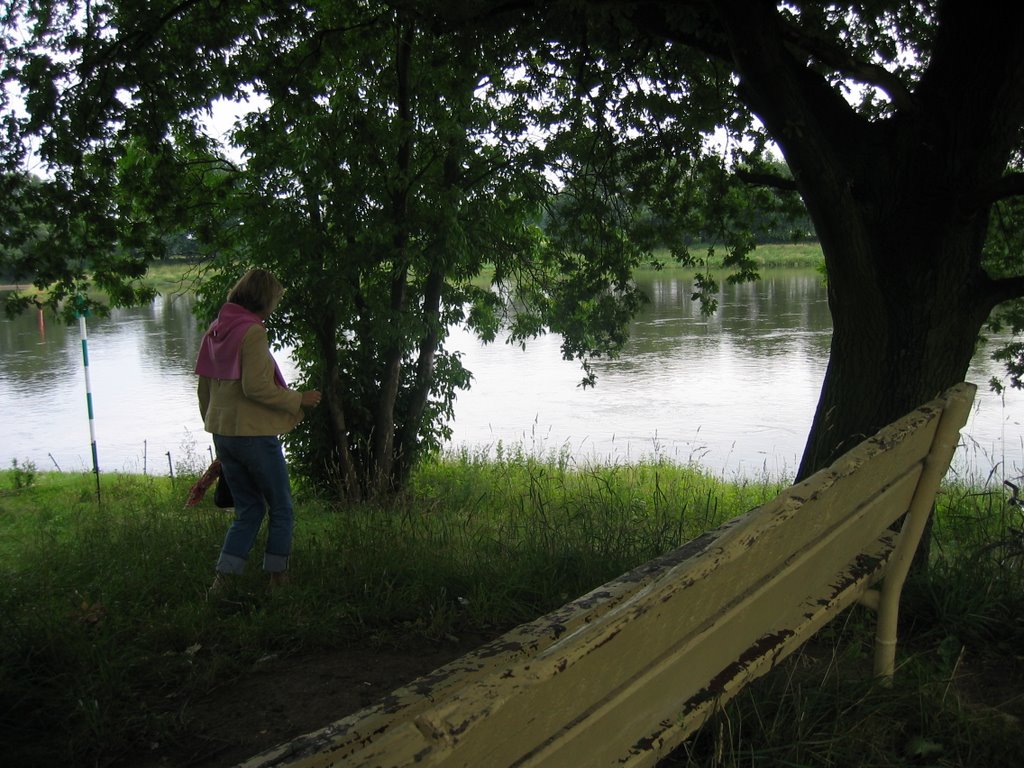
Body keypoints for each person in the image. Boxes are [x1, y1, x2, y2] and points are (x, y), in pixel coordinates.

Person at [194, 269, 321, 594]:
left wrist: (217, 429)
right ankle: (278, 580)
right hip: (253, 434)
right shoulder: (251, 333)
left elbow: (204, 390)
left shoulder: (217, 330)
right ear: (264, 299)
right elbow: (256, 388)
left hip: (224, 434)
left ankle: (221, 583)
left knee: (249, 509)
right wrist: (298, 400)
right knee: (281, 506)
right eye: (276, 298)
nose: (276, 305)